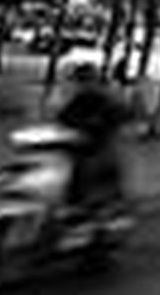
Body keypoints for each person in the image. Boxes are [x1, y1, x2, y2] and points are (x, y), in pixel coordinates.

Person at [56, 62, 132, 215]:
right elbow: (64, 116)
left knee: (85, 170)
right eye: (79, 81)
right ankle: (73, 205)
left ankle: (86, 207)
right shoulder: (81, 98)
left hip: (100, 147)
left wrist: (98, 124)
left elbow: (121, 114)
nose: (81, 84)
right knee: (70, 167)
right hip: (84, 144)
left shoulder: (105, 97)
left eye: (84, 80)